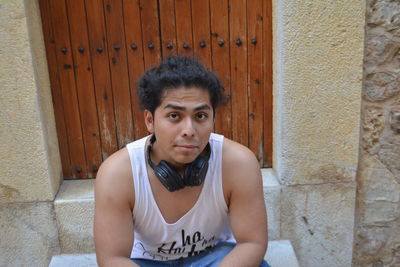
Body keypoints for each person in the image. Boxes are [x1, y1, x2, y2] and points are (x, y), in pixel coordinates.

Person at [94, 56, 270, 267]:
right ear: (150, 120)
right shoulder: (117, 174)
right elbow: (113, 259)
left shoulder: (239, 164)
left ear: (213, 119)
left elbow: (252, 243)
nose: (189, 131)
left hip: (218, 257)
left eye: (201, 116)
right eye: (174, 116)